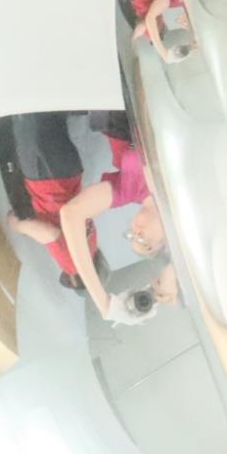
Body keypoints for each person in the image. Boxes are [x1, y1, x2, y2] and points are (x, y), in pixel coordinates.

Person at [58, 131, 169, 322]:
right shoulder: (181, 203)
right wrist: (170, 273)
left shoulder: (129, 191)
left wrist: (104, 304)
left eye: (132, 235)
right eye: (145, 242)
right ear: (167, 239)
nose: (137, 232)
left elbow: (71, 214)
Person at [0, 112, 97, 291]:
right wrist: (17, 225)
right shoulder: (74, 266)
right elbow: (50, 233)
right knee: (28, 117)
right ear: (77, 280)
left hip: (70, 172)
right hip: (48, 181)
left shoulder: (92, 246)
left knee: (48, 115)